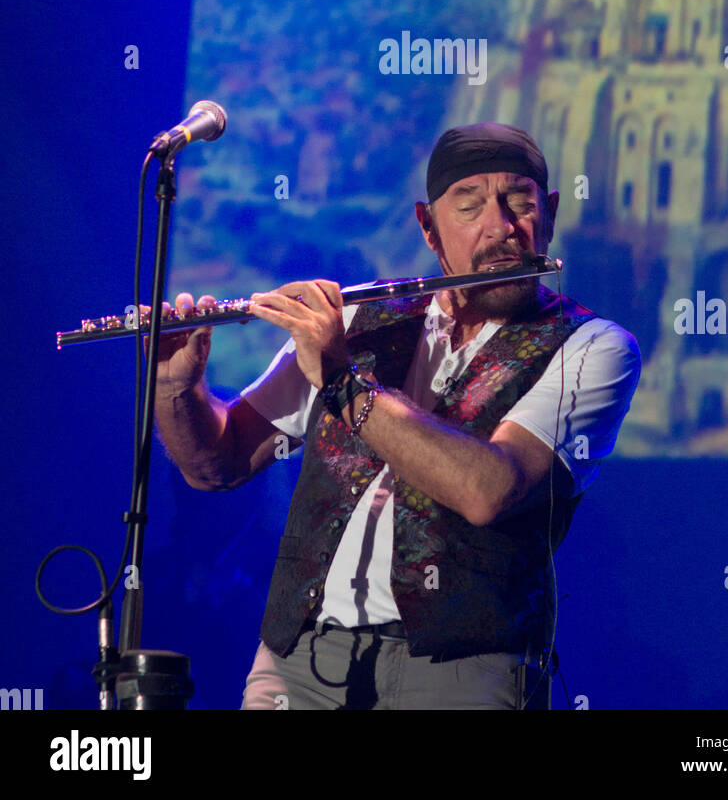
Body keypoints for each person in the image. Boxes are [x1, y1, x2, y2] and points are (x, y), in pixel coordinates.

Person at [154, 122, 641, 710]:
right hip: (298, 664)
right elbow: (217, 465)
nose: (502, 228)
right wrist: (178, 389)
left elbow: (491, 488)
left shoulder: (591, 347)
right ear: (428, 228)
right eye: (469, 206)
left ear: (550, 213)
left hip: (463, 670)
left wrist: (341, 381)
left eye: (520, 202)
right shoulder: (360, 319)